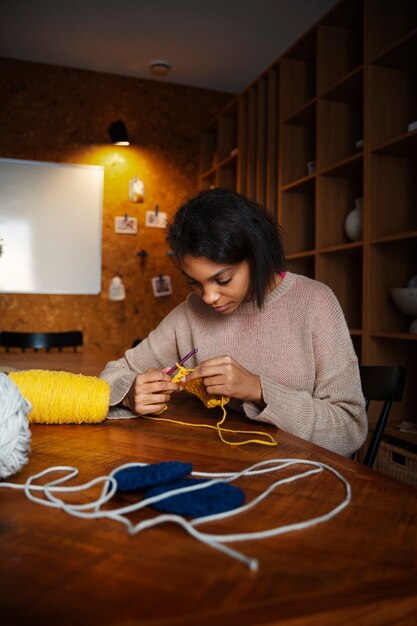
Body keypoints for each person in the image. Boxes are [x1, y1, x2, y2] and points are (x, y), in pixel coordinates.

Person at [100, 187, 367, 457]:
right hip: (216, 465)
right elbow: (112, 376)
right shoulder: (191, 312)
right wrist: (130, 393)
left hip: (299, 478)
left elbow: (348, 431)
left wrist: (258, 389)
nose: (209, 297)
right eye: (194, 283)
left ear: (256, 255)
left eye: (223, 279)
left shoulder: (314, 302)